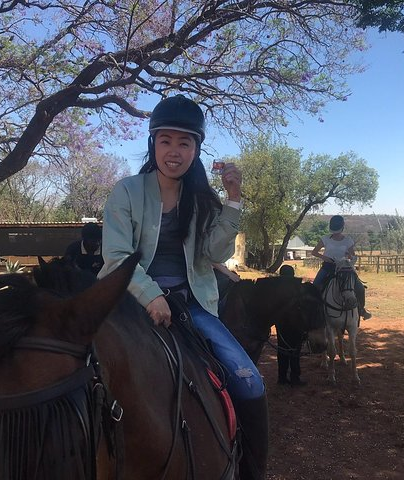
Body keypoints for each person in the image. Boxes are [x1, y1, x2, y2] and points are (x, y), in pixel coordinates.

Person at [98, 95, 268, 479]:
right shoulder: (126, 191)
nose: (174, 151)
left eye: (184, 142)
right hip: (127, 301)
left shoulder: (202, 199)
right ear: (153, 144)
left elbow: (214, 253)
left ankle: (249, 471)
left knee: (251, 384)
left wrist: (234, 199)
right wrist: (151, 294)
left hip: (191, 307)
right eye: (166, 141)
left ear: (196, 150)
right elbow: (117, 257)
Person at [310, 215, 373, 320]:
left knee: (360, 288)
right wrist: (325, 257)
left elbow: (352, 255)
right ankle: (314, 310)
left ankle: (361, 310)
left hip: (344, 268)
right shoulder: (325, 239)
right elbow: (314, 252)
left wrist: (348, 255)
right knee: (314, 286)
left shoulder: (348, 240)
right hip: (328, 267)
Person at [276, 265, 307, 386]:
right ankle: (295, 377)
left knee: (282, 350)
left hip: (282, 325)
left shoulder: (277, 289)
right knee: (295, 351)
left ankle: (282, 377)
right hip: (296, 325)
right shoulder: (299, 288)